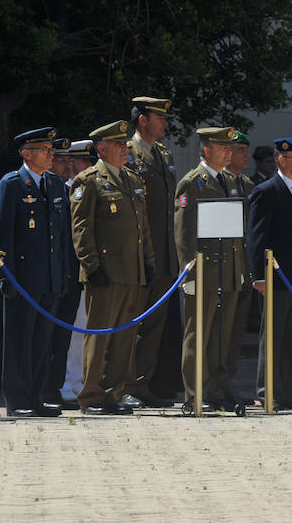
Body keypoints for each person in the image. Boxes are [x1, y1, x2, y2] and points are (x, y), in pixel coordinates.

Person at [70, 120, 156, 415]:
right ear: (101, 149)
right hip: (105, 273)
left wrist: (149, 262)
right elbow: (81, 228)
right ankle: (91, 395)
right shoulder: (89, 180)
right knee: (99, 335)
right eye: (118, 145)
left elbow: (141, 226)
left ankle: (112, 394)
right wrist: (91, 265)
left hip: (132, 271)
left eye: (124, 144)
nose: (124, 149)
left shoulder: (132, 180)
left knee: (124, 337)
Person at [0, 128, 72, 417]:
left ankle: (37, 396)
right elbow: (2, 235)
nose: (51, 155)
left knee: (42, 342)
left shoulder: (55, 184)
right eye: (44, 150)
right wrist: (5, 276)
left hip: (49, 277)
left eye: (52, 150)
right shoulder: (12, 184)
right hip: (23, 279)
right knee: (19, 341)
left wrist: (62, 274)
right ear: (27, 153)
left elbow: (61, 235)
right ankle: (18, 400)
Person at [174, 126, 244, 409]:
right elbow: (183, 233)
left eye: (230, 148)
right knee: (197, 335)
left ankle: (214, 390)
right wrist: (188, 273)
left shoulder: (230, 180)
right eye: (222, 147)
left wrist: (240, 268)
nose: (229, 152)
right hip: (203, 271)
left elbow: (236, 230)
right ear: (206, 150)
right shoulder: (192, 183)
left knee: (220, 338)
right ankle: (194, 394)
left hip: (227, 270)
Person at [247, 137, 292, 411]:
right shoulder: (267, 191)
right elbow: (257, 237)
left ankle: (287, 391)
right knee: (273, 337)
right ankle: (268, 391)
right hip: (277, 277)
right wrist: (259, 275)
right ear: (282, 160)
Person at [119, 96, 178, 408]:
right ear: (142, 119)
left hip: (164, 254)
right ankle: (124, 385)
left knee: (154, 325)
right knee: (132, 323)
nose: (165, 123)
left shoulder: (163, 154)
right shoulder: (128, 153)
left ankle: (143, 384)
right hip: (140, 253)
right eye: (159, 117)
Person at [45, 139, 94, 410]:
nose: (84, 167)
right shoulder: (59, 191)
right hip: (63, 273)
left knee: (80, 330)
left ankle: (74, 382)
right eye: (80, 162)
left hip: (78, 272)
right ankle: (63, 384)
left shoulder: (77, 190)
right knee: (67, 333)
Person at [225, 130, 257, 404]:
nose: (246, 154)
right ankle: (210, 387)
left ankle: (228, 384)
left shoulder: (247, 184)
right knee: (217, 331)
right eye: (240, 149)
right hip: (221, 269)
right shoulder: (213, 182)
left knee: (235, 332)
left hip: (243, 268)